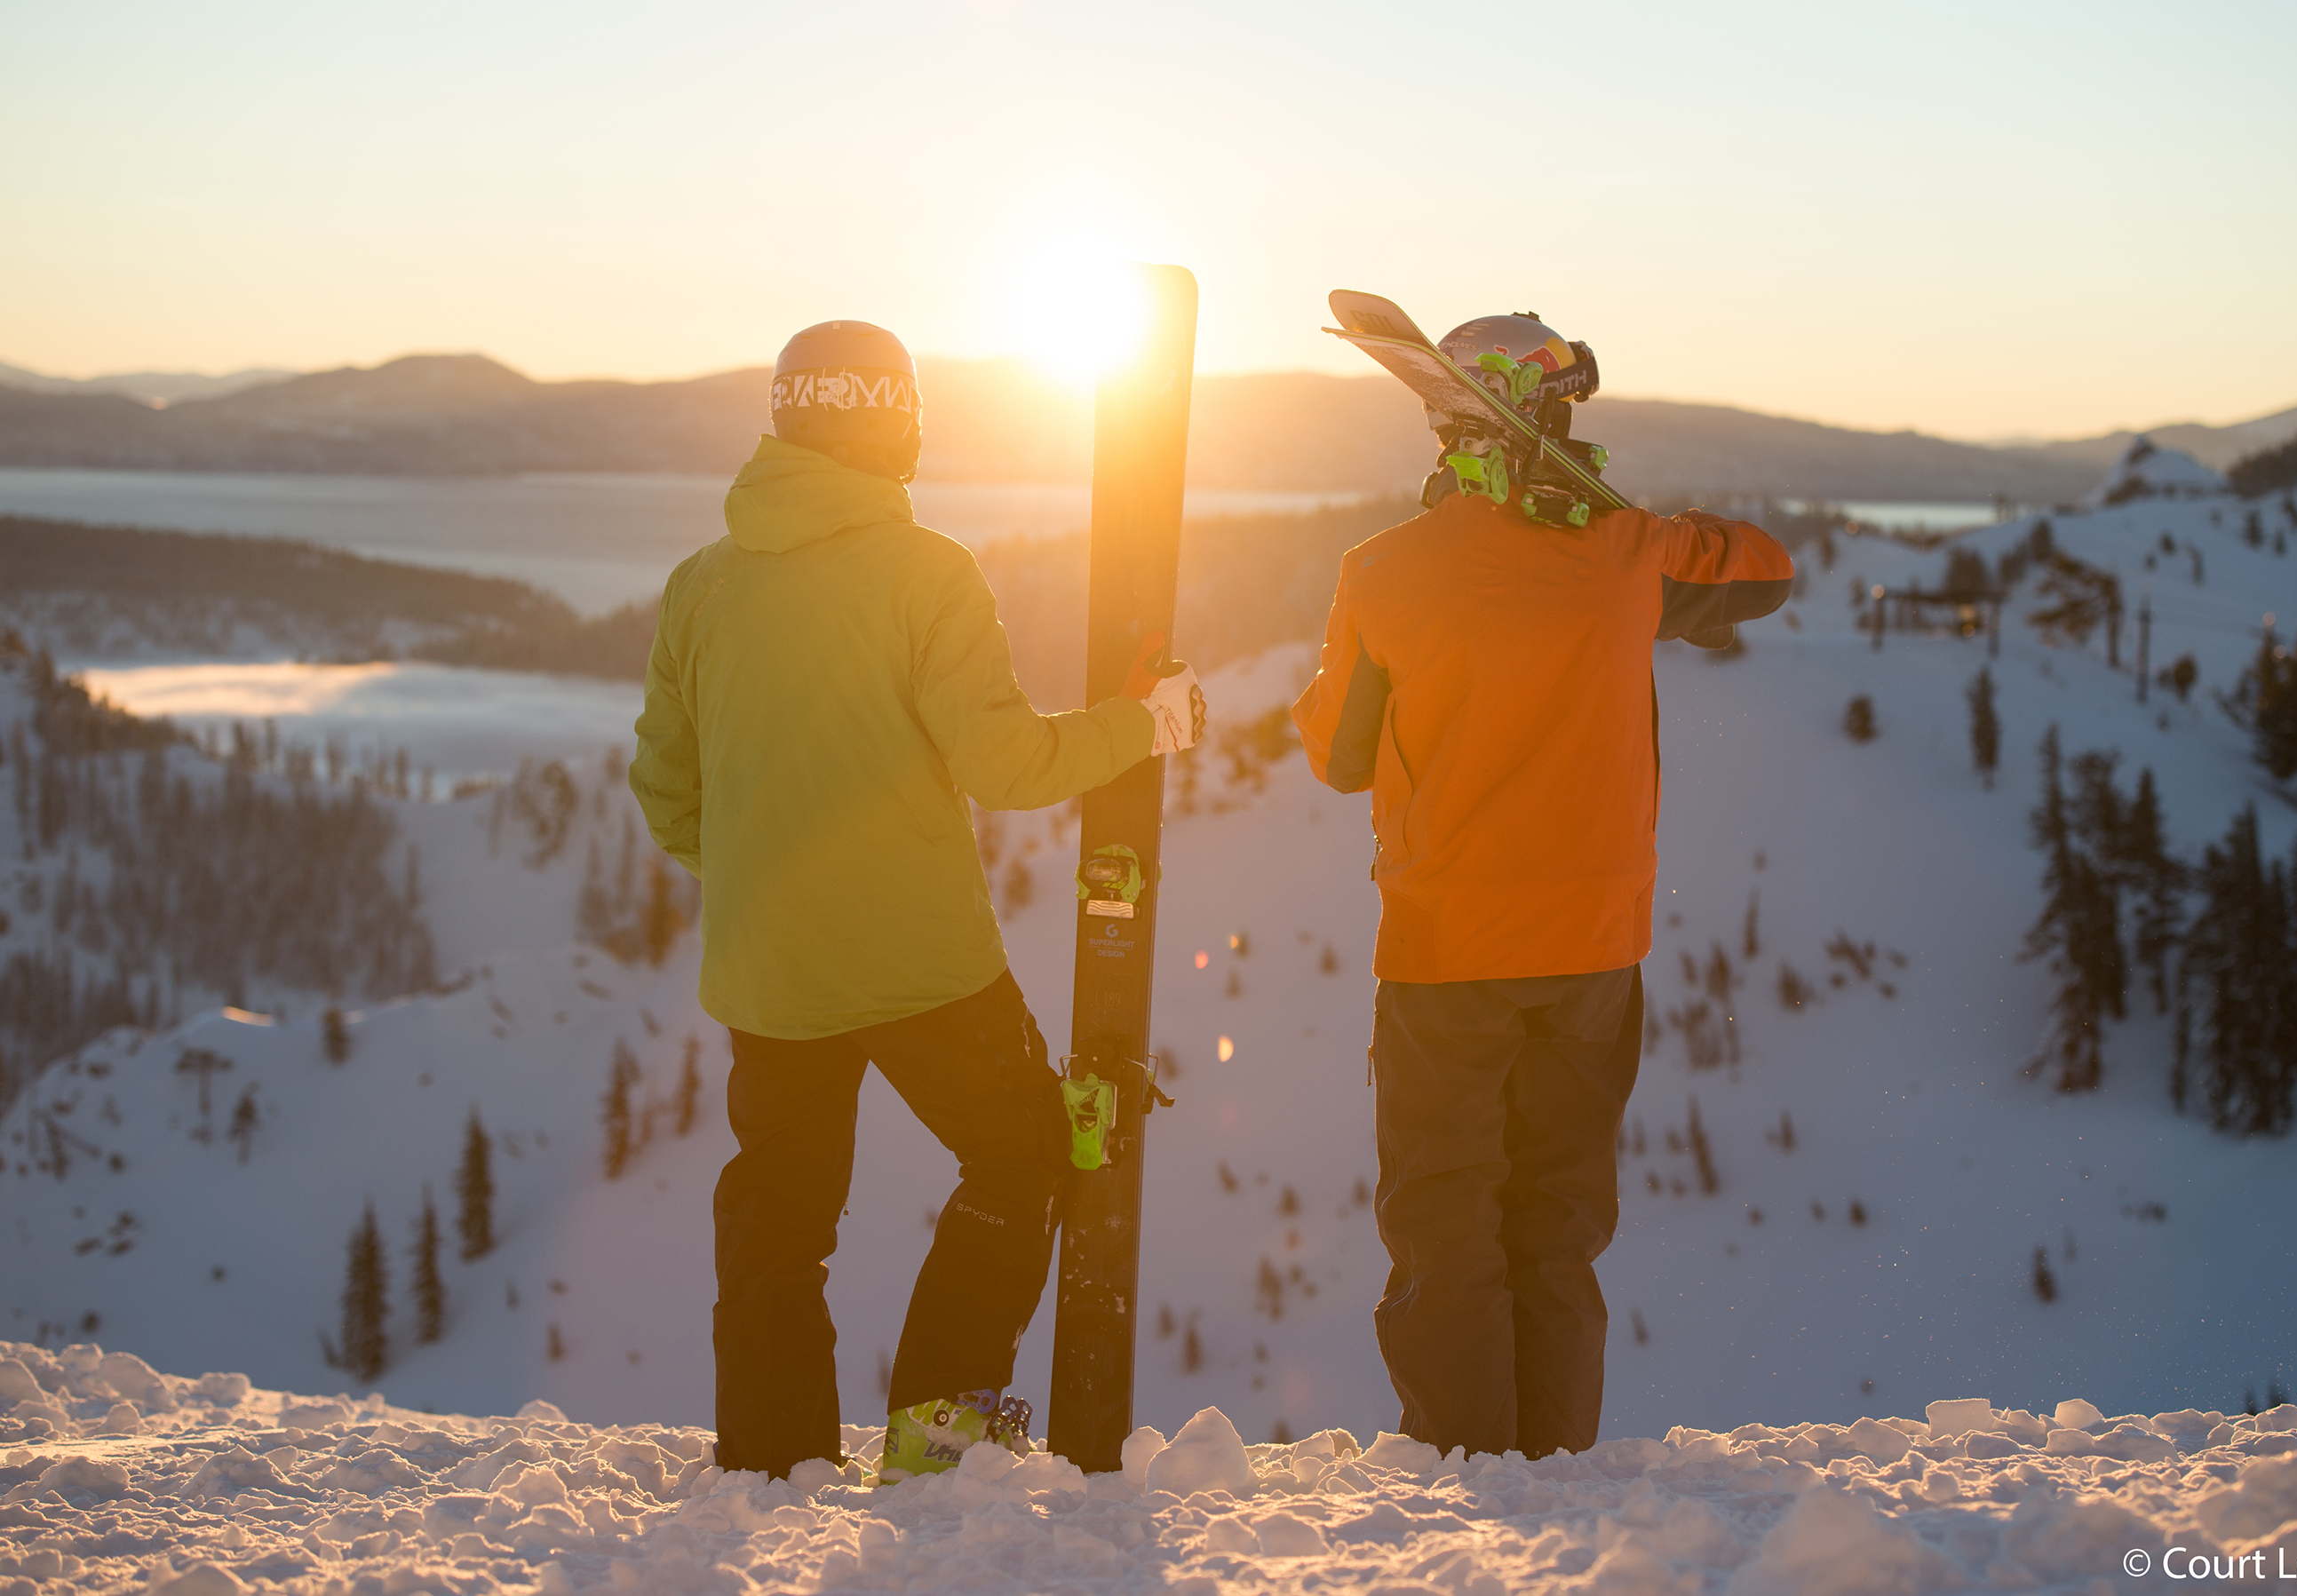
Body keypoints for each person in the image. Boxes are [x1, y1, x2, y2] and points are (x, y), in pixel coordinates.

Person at [629, 321, 1204, 1483]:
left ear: (787, 420)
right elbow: (1006, 763)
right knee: (1021, 1155)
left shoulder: (702, 585)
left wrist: (771, 881)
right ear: (898, 425)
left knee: (779, 1224)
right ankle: (939, 1449)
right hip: (922, 966)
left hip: (770, 970)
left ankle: (771, 1463)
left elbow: (665, 788)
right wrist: (1144, 724)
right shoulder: (925, 572)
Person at [1292, 312, 1792, 1460]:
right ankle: (1554, 1473)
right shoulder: (1628, 558)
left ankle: (1472, 1475)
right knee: (1554, 1228)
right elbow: (1766, 570)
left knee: (1444, 1221)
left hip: (1444, 958)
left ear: (1445, 418)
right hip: (1592, 954)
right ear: (1559, 414)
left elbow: (1336, 757)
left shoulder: (1381, 574)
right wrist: (1627, 530)